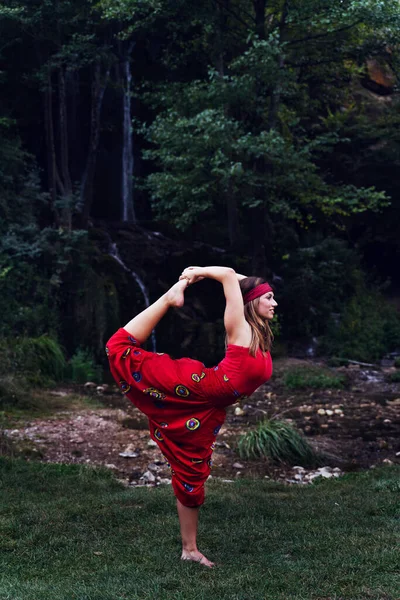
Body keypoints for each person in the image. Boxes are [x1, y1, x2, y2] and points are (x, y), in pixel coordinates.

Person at [106, 266, 277, 567]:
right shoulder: (241, 327)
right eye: (270, 298)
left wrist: (245, 282)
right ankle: (168, 299)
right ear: (253, 302)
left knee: (191, 475)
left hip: (207, 409)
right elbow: (227, 274)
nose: (275, 304)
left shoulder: (259, 333)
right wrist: (198, 273)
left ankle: (190, 550)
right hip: (193, 386)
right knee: (118, 350)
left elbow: (238, 280)